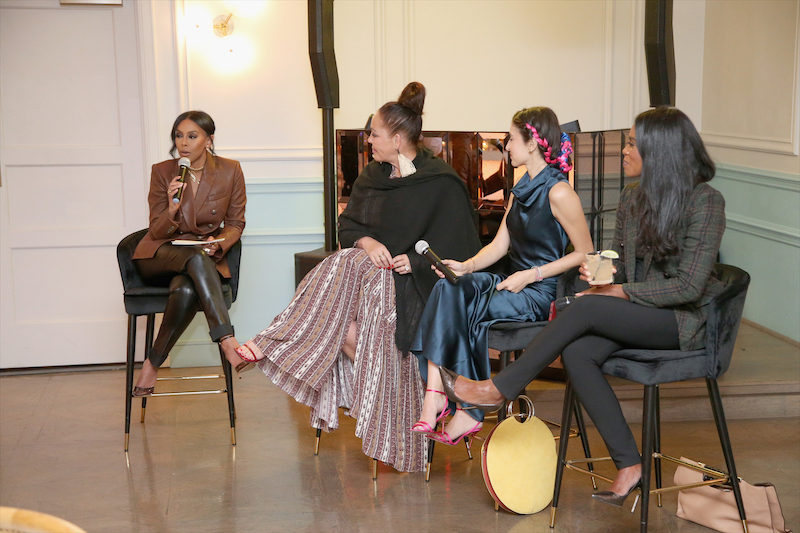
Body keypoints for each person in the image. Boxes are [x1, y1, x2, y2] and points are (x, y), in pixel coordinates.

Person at [440, 106, 726, 506]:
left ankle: (498, 388)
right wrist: (596, 276)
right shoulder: (632, 197)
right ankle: (629, 464)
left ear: (657, 151)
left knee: (588, 309)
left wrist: (615, 294)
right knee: (577, 351)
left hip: (680, 321)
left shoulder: (705, 202)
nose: (624, 151)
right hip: (638, 311)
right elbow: (618, 265)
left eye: (630, 144)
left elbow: (689, 286)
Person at [235, 82, 481, 473]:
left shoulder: (442, 183)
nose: (368, 140)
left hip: (422, 289)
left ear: (398, 139)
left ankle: (275, 340)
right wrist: (367, 242)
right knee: (351, 262)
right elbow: (346, 229)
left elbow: (461, 253)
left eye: (375, 134)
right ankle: (397, 424)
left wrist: (412, 262)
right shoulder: (373, 176)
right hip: (372, 282)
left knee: (367, 307)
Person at [410, 107, 593, 446]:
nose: (506, 146)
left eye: (511, 138)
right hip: (510, 280)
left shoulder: (560, 193)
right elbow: (498, 246)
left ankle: (461, 407)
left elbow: (585, 252)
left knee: (463, 304)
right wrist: (467, 266)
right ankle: (436, 392)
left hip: (539, 292)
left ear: (533, 143)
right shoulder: (521, 186)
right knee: (449, 284)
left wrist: (532, 275)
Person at [132, 110, 250, 397]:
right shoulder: (163, 171)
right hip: (160, 254)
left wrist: (218, 243)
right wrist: (172, 208)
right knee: (195, 259)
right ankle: (227, 340)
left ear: (208, 141)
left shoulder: (229, 170)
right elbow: (156, 231)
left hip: (201, 256)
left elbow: (236, 223)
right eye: (179, 135)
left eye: (192, 136)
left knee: (185, 291)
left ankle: (152, 363)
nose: (183, 142)